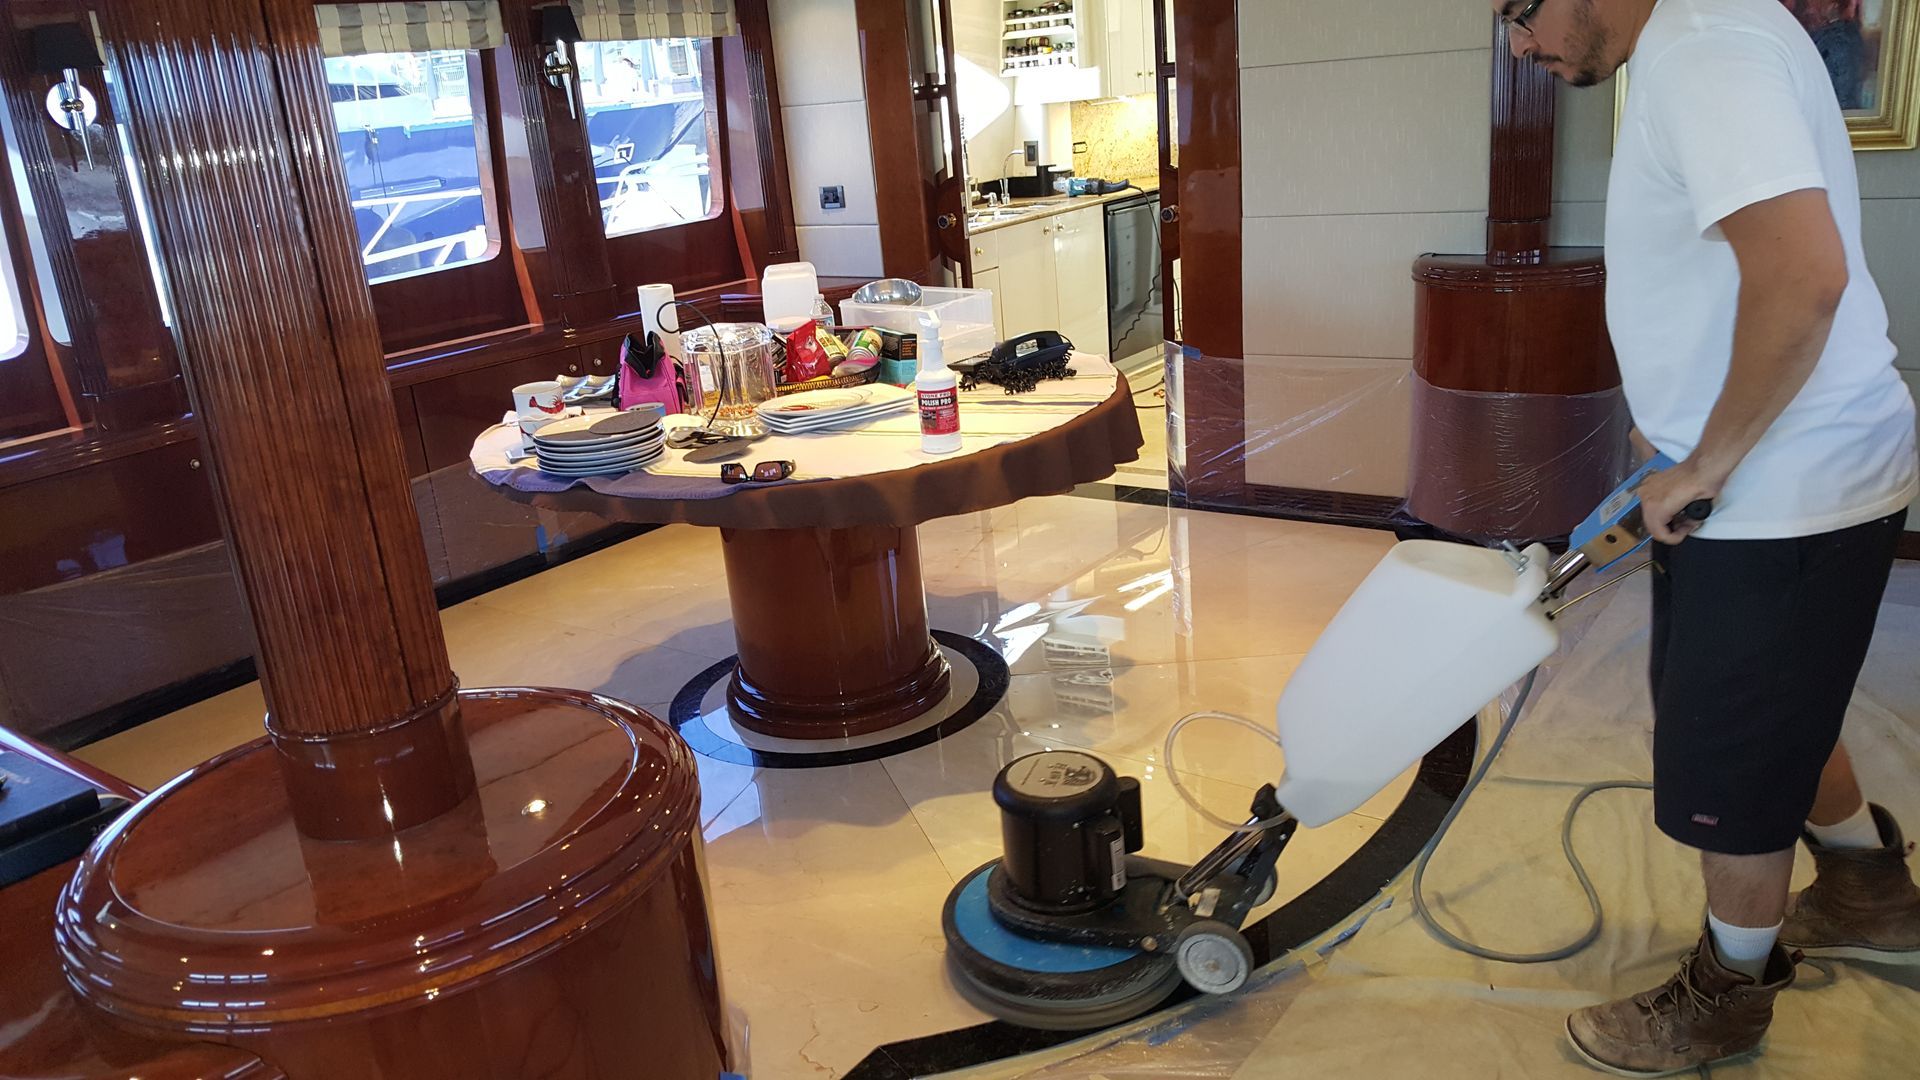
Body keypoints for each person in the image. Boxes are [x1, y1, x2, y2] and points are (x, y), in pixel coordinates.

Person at [1490, 0, 1920, 1074]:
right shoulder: (1701, 35)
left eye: (1519, 10)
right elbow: (1732, 273)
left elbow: (1803, 277)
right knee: (1779, 710)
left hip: (1780, 490)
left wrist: (1710, 461)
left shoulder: (1708, 51)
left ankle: (1728, 994)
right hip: (1779, 477)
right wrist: (1681, 430)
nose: (1518, 43)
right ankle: (1870, 891)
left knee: (1726, 762)